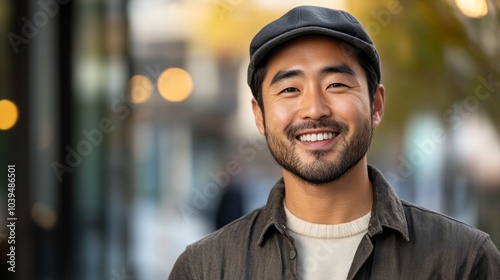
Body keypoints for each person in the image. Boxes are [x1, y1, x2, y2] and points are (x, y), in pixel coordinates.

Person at [169, 5, 500, 279]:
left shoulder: (464, 261)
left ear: (376, 105)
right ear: (260, 116)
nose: (314, 108)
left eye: (337, 85)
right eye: (289, 89)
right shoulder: (204, 269)